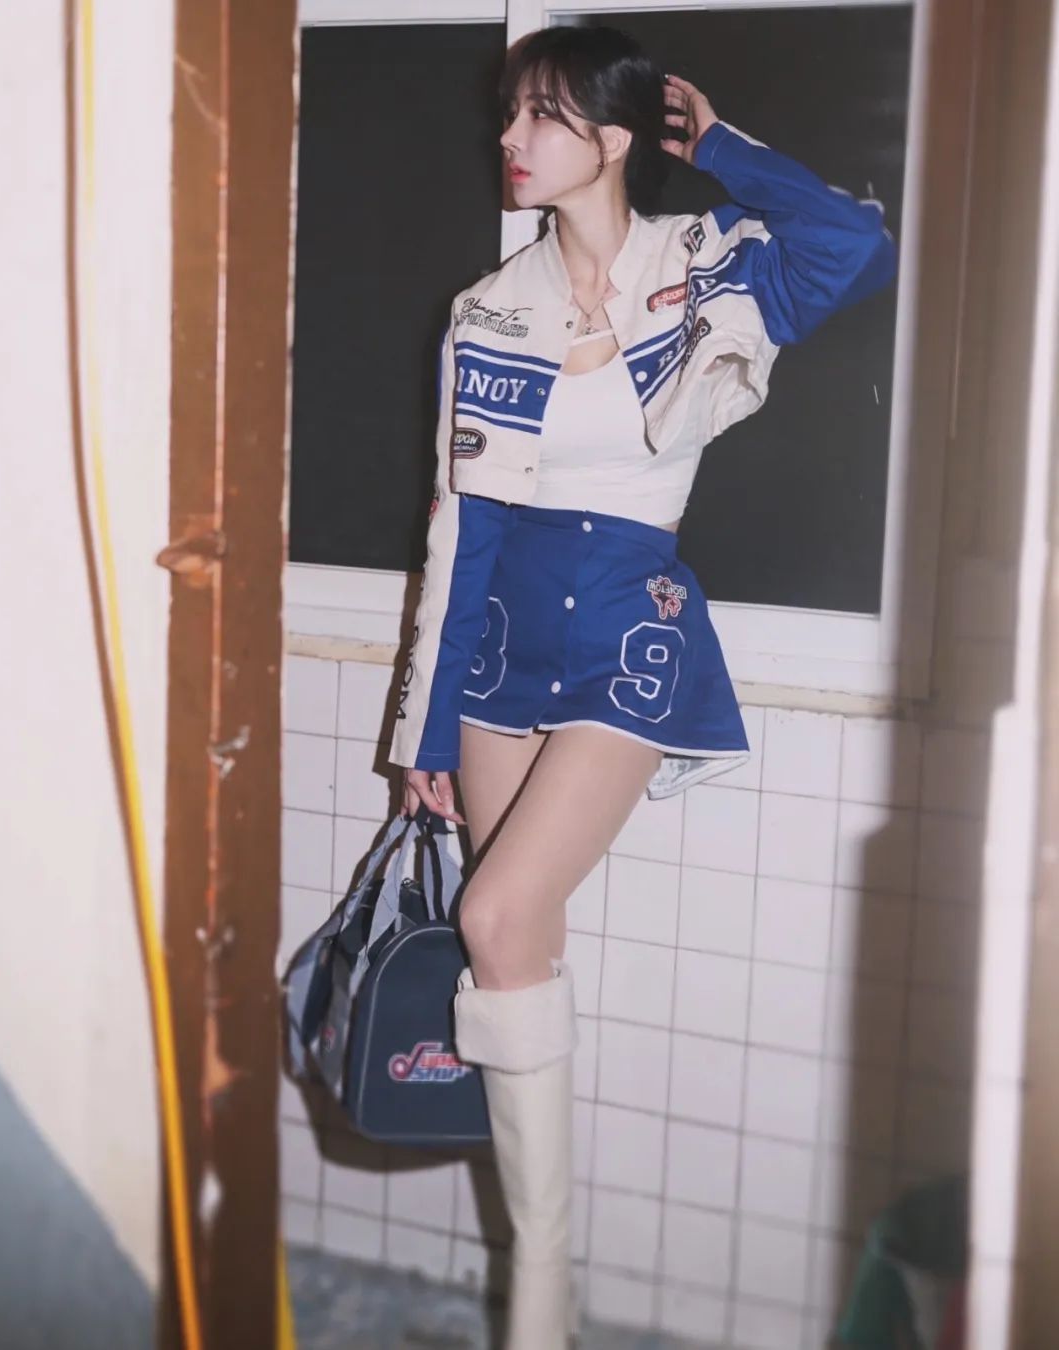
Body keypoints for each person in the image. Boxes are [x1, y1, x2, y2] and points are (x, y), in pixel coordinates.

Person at [387, 24, 897, 1349]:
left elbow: (856, 248)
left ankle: (536, 1300)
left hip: (629, 635)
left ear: (611, 140)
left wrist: (721, 148)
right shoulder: (489, 311)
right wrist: (426, 724)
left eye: (542, 117)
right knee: (519, 945)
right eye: (510, 113)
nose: (510, 138)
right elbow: (462, 529)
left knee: (495, 911)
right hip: (500, 645)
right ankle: (548, 1289)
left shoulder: (703, 265)